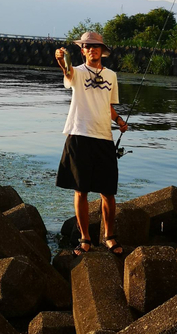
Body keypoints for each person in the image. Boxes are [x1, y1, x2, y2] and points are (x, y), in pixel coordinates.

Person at [55, 32, 128, 256]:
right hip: (78, 135)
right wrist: (60, 59)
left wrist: (118, 120)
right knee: (81, 190)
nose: (92, 49)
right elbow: (67, 71)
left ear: (101, 50)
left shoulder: (111, 76)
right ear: (83, 50)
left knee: (108, 192)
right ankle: (84, 239)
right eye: (88, 46)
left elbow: (108, 106)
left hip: (104, 138)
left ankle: (109, 237)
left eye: (96, 46)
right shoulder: (76, 72)